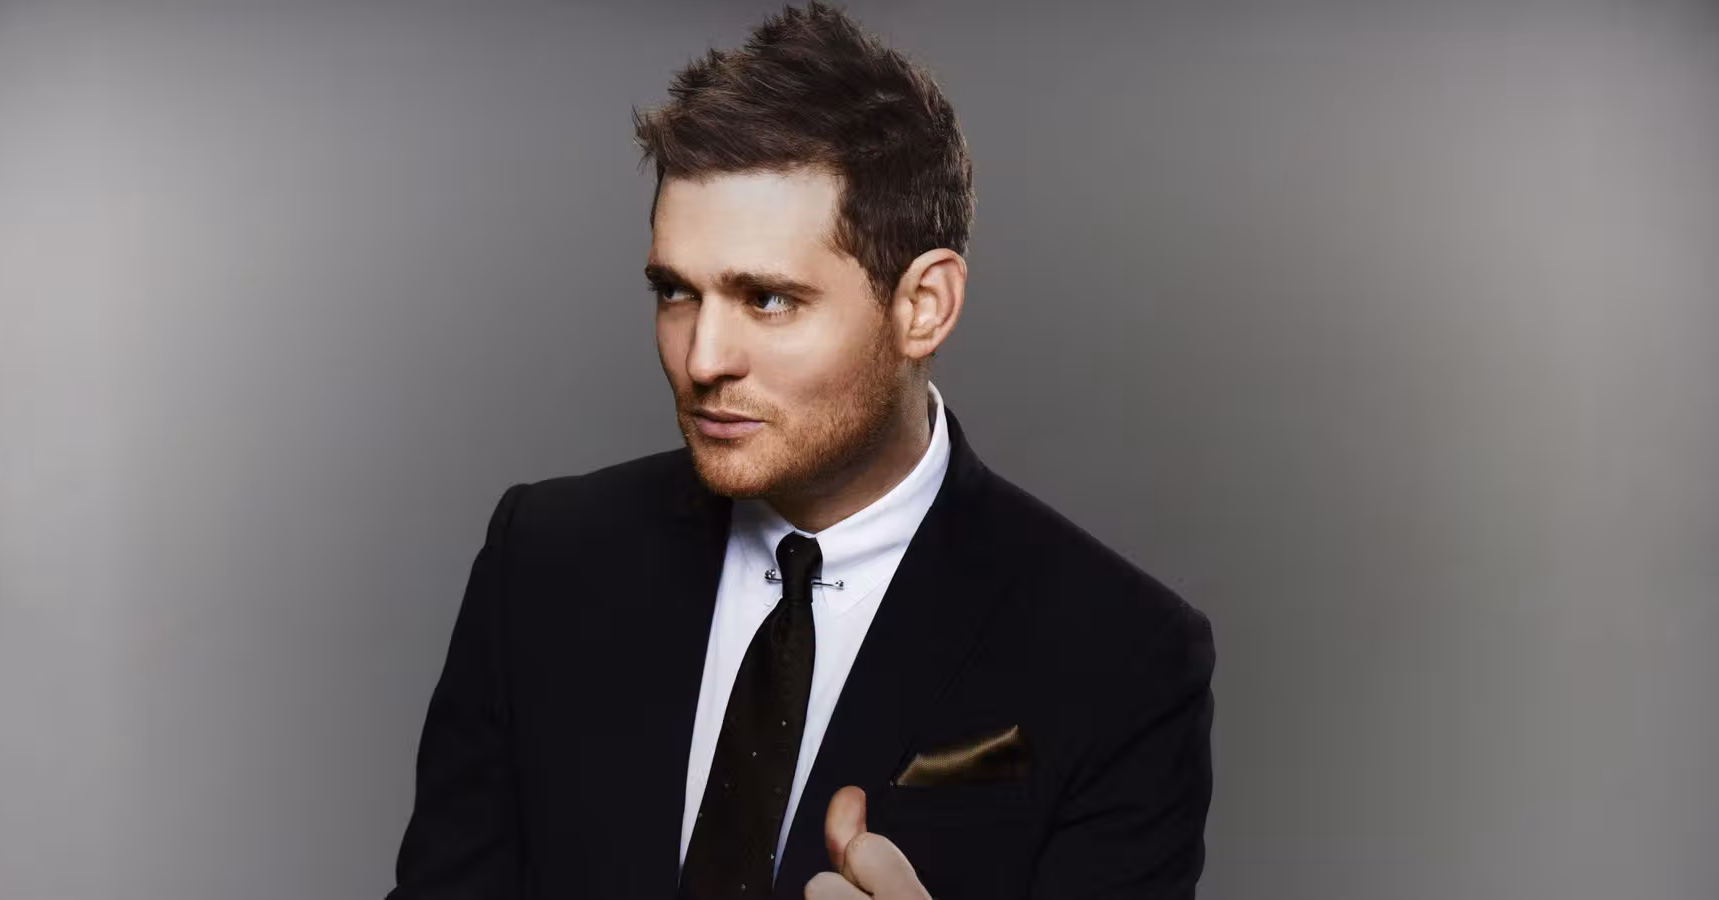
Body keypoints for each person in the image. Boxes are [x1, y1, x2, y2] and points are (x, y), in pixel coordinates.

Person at [385, 3, 1214, 898]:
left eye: (768, 300)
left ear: (924, 307)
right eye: (676, 292)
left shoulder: (1121, 655)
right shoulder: (544, 560)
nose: (703, 359)